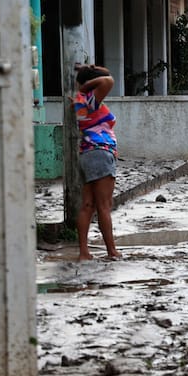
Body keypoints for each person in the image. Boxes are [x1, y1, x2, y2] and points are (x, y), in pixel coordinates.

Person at [74, 65, 120, 261]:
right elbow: (109, 80)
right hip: (101, 152)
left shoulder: (81, 101)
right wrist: (85, 85)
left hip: (87, 153)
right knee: (104, 205)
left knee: (88, 205)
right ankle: (111, 250)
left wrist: (89, 70)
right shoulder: (90, 99)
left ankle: (84, 251)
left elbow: (106, 76)